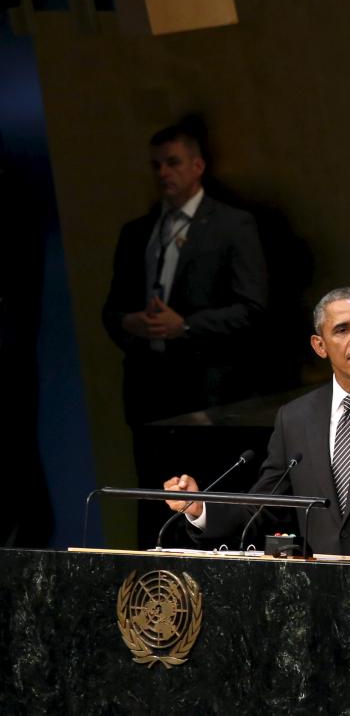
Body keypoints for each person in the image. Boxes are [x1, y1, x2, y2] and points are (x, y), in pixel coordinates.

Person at [164, 288, 350, 564]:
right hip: (322, 592)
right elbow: (265, 508)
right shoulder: (295, 417)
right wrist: (199, 507)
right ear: (320, 346)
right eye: (342, 329)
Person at [101, 121, 268, 547]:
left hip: (209, 396)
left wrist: (187, 325)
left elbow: (253, 309)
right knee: (154, 504)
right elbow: (110, 310)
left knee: (205, 500)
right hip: (149, 395)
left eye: (172, 162)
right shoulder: (137, 231)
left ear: (197, 166)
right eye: (156, 165)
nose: (162, 173)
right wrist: (129, 322)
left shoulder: (232, 224)